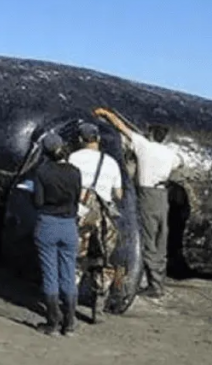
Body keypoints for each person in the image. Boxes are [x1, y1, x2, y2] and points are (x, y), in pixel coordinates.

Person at [94, 107, 184, 298]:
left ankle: (153, 285)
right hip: (162, 196)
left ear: (150, 133)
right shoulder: (170, 153)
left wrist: (106, 114)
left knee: (148, 237)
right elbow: (180, 162)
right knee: (161, 237)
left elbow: (121, 127)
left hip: (148, 195)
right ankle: (158, 279)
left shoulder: (145, 146)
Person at [15, 133, 82, 336]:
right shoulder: (75, 172)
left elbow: (38, 201)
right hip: (69, 224)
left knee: (50, 274)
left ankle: (53, 322)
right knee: (69, 274)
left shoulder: (42, 171)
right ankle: (70, 323)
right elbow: (77, 198)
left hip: (48, 223)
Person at [67, 121, 123, 322]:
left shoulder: (73, 158)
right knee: (103, 261)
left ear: (81, 140)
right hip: (104, 220)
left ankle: (69, 308)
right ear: (98, 139)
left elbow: (68, 182)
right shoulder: (111, 162)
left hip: (80, 216)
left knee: (75, 260)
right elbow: (119, 193)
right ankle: (98, 309)